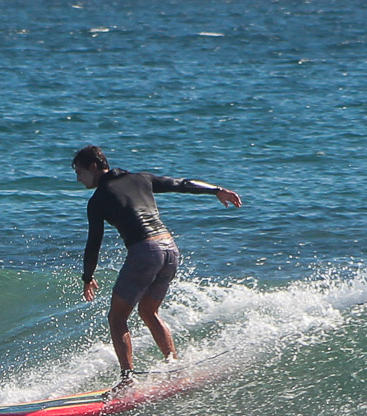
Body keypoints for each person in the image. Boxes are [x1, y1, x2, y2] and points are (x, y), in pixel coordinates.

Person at [71, 145, 241, 389]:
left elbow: (93, 242)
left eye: (79, 172)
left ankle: (127, 379)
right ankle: (173, 366)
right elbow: (181, 184)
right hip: (170, 249)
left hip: (145, 251)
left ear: (94, 167)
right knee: (149, 311)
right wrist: (216, 190)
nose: (78, 179)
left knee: (117, 318)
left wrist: (87, 276)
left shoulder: (98, 199)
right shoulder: (142, 178)